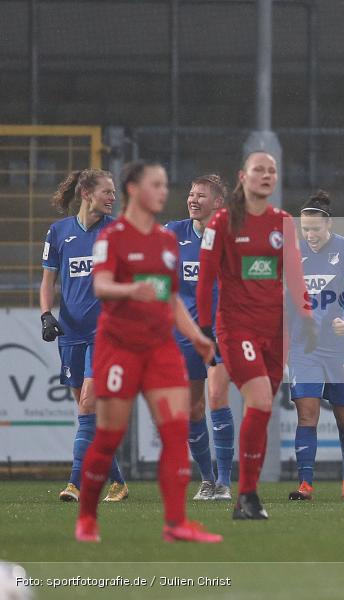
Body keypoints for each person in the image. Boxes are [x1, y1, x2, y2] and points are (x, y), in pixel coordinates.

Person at [75, 161, 221, 543]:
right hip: (119, 347)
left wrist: (199, 336)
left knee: (175, 432)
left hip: (161, 348)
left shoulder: (166, 240)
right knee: (108, 436)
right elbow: (102, 286)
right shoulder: (114, 236)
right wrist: (130, 291)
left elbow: (171, 298)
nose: (165, 191)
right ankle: (87, 517)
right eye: (156, 184)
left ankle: (176, 523)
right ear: (134, 190)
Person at [197, 151, 315, 520]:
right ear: (242, 176)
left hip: (274, 329)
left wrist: (307, 314)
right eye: (258, 170)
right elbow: (205, 279)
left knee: (260, 411)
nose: (266, 175)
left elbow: (294, 273)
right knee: (261, 399)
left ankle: (246, 496)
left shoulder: (283, 222)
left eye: (272, 171)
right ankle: (247, 494)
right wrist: (205, 329)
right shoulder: (222, 221)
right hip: (236, 328)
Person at [41, 169, 128, 504]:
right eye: (107, 191)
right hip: (71, 333)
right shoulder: (59, 232)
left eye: (114, 192)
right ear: (87, 192)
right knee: (87, 414)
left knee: (89, 406)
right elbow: (48, 281)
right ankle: (118, 481)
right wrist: (46, 315)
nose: (113, 197)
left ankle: (75, 483)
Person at [287, 190, 344, 502]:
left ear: (328, 224)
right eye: (305, 229)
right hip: (305, 346)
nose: (310, 235)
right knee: (307, 414)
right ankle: (305, 484)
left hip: (342, 347)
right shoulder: (293, 254)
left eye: (316, 229)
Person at [165, 175, 234, 501]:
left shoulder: (232, 236)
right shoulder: (173, 233)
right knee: (193, 408)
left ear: (218, 203)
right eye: (191, 194)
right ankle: (206, 480)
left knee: (217, 396)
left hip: (221, 331)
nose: (193, 200)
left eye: (201, 196)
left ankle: (224, 481)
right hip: (184, 335)